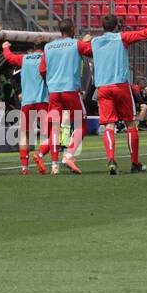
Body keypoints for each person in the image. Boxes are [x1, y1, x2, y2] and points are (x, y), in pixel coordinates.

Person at [80, 12, 147, 175]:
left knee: (109, 125)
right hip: (120, 86)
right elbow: (145, 33)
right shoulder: (122, 37)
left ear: (103, 27)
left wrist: (82, 41)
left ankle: (111, 159)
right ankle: (134, 162)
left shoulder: (95, 42)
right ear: (116, 27)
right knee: (129, 123)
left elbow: (81, 49)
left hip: (103, 88)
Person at [36, 18, 89, 176]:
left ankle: (53, 164)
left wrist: (51, 83)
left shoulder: (48, 46)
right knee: (82, 122)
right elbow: (91, 52)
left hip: (54, 91)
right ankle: (68, 155)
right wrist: (86, 42)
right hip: (70, 89)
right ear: (72, 28)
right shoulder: (76, 44)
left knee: (56, 128)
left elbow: (42, 70)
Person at [0, 38, 49, 175]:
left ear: (34, 46)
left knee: (25, 134)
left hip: (27, 101)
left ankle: (24, 168)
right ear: (45, 48)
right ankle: (39, 155)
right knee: (51, 133)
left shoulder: (25, 58)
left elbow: (9, 57)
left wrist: (5, 47)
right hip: (43, 100)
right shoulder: (47, 57)